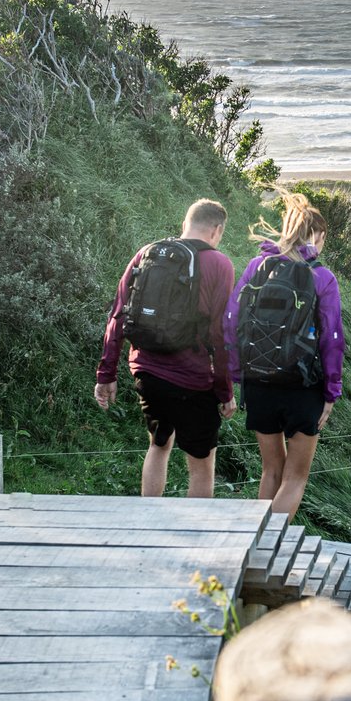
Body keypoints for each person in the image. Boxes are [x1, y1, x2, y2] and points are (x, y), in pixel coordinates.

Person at [95, 199, 236, 498]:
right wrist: (225, 391)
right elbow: (220, 333)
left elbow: (118, 314)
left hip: (148, 372)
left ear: (186, 223)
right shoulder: (220, 263)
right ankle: (195, 540)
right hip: (193, 381)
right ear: (216, 230)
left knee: (158, 446)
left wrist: (106, 373)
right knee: (201, 464)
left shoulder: (148, 253)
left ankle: (150, 527)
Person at [224, 193, 345, 519]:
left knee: (270, 471)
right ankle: (266, 550)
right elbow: (333, 340)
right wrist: (331, 393)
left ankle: (254, 544)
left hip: (259, 383)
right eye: (322, 239)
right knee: (295, 478)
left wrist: (237, 374)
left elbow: (232, 320)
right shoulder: (322, 277)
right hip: (302, 386)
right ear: (316, 236)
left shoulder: (257, 266)